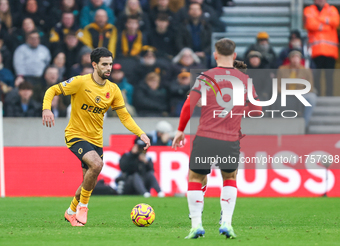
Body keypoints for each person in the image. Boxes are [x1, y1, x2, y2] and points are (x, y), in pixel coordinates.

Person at [42, 47, 151, 227]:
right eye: (105, 64)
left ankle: (70, 212)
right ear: (94, 65)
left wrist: (140, 133)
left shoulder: (113, 89)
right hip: (75, 135)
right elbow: (52, 90)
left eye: (110, 64)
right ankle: (83, 207)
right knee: (97, 164)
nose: (109, 68)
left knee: (88, 182)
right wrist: (47, 108)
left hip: (96, 140)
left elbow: (124, 116)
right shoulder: (80, 82)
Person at [171, 38, 262, 239]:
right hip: (230, 139)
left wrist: (180, 130)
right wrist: (237, 112)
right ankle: (227, 224)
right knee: (229, 177)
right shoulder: (246, 80)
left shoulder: (206, 77)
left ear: (215, 55)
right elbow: (257, 111)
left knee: (195, 178)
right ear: (235, 55)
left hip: (205, 136)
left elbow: (188, 105)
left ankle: (196, 226)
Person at [304, 0, 339, 96]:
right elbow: (310, 24)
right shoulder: (308, 10)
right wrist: (327, 24)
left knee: (329, 76)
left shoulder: (332, 9)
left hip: (330, 51)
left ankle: (329, 95)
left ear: (326, 0)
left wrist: (319, 20)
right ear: (314, 0)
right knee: (316, 75)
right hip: (315, 51)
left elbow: (336, 22)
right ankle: (317, 94)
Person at [277, 50, 317, 129]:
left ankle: (304, 124)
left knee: (312, 97)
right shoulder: (282, 69)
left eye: (297, 57)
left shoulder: (306, 70)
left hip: (301, 93)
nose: (295, 59)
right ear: (290, 59)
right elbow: (277, 85)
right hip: (286, 92)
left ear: (300, 59)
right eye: (293, 57)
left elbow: (310, 87)